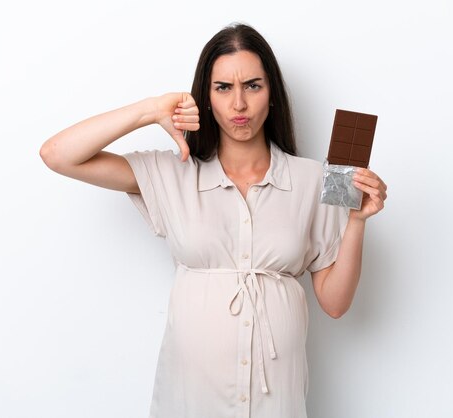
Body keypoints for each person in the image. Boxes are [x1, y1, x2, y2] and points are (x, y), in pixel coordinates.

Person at [40, 22, 387, 418]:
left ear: (272, 94)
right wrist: (151, 110)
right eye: (223, 88)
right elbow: (58, 154)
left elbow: (336, 303)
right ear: (205, 96)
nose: (239, 105)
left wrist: (357, 222)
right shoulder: (173, 173)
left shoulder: (313, 180)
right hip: (190, 400)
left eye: (253, 86)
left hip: (276, 402)